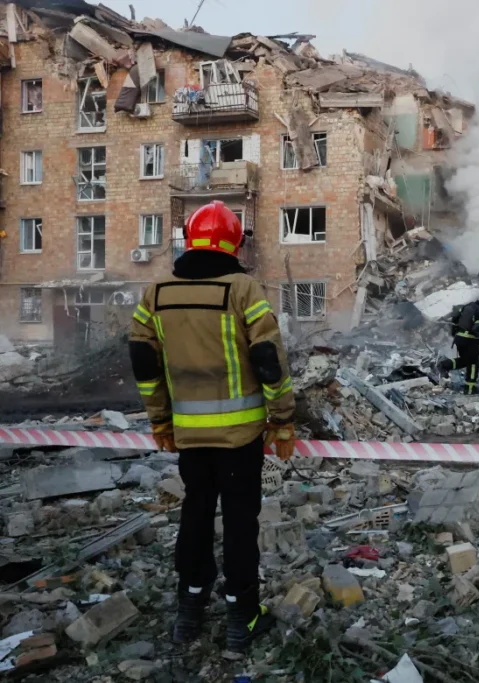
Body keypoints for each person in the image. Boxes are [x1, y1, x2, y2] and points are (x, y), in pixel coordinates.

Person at [129, 201, 295, 653]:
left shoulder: (156, 293)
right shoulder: (243, 289)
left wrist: (159, 418)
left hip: (189, 437)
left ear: (189, 239)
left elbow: (144, 363)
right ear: (234, 242)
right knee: (241, 523)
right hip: (241, 439)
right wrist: (282, 420)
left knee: (196, 515)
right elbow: (269, 362)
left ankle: (190, 609)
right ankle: (242, 617)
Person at [437, 293, 479, 394]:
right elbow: (478, 328)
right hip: (470, 340)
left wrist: (457, 333)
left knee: (465, 361)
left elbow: (455, 318)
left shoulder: (468, 307)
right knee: (473, 363)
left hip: (459, 339)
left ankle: (444, 365)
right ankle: (470, 389)